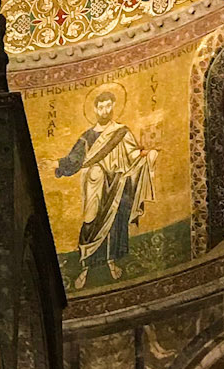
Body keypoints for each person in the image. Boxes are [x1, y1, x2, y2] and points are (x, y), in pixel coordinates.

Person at [55, 88, 158, 287]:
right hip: (94, 185)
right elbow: (74, 159)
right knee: (90, 220)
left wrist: (147, 155)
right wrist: (59, 166)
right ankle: (85, 266)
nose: (105, 110)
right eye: (101, 107)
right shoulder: (87, 137)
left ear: (113, 107)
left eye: (108, 106)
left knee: (115, 222)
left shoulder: (122, 132)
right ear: (95, 109)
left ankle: (112, 262)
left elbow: (133, 155)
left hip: (117, 186)